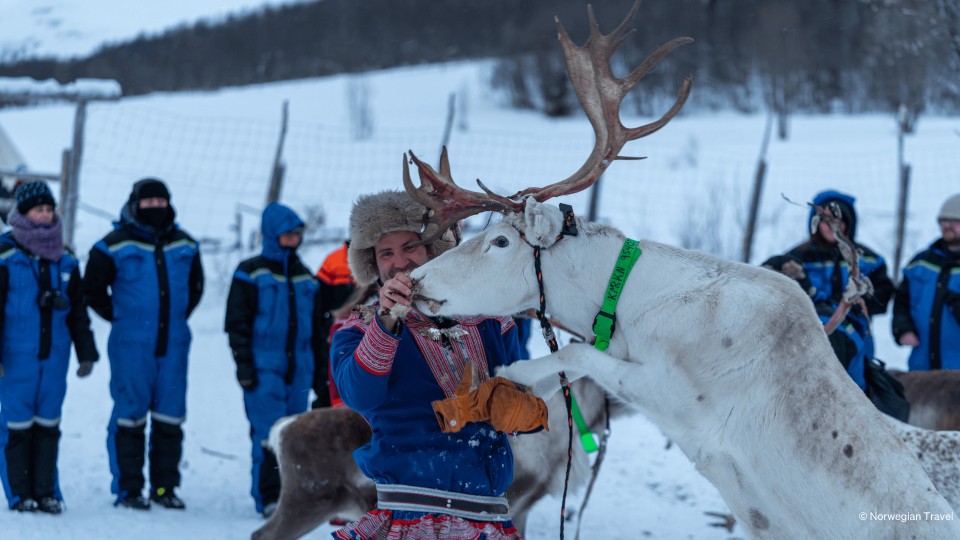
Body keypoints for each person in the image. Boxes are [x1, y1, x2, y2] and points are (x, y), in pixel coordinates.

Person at [330, 190, 547, 540]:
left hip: (486, 512)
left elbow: (516, 400)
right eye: (386, 253)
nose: (400, 262)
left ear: (432, 249)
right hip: (410, 513)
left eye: (410, 247)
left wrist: (519, 409)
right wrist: (385, 323)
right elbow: (360, 396)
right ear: (374, 265)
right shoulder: (358, 327)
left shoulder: (488, 317)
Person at [84, 178, 203, 510]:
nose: (154, 207)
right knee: (130, 417)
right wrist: (122, 318)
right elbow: (92, 290)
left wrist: (174, 317)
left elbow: (195, 289)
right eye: (148, 202)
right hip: (130, 345)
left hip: (175, 344)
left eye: (160, 201)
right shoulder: (112, 245)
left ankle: (165, 489)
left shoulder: (186, 244)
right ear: (135, 204)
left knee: (170, 418)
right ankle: (130, 489)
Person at [0, 182, 99, 514]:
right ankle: (19, 493)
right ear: (23, 214)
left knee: (48, 426)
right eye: (37, 210)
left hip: (55, 358)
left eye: (48, 209)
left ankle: (47, 492)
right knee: (17, 428)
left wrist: (86, 352)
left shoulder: (66, 257)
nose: (44, 215)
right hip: (15, 358)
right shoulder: (5, 253)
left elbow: (79, 310)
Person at [225, 202, 320, 518]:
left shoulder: (306, 276)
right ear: (271, 235)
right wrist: (245, 366)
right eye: (286, 235)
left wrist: (319, 372)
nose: (293, 240)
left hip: (300, 368)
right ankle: (269, 497)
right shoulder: (251, 271)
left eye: (297, 235)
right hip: (264, 366)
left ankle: (292, 495)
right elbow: (236, 324)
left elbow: (318, 329)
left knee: (294, 435)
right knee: (270, 434)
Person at [893, 193, 960, 370]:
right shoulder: (920, 262)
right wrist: (903, 328)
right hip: (922, 370)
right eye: (944, 221)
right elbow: (901, 302)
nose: (947, 226)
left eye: (955, 222)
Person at [311, 241, 357, 409]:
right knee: (330, 383)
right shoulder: (333, 260)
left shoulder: (378, 255)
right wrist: (323, 332)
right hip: (334, 333)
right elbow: (318, 302)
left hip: (367, 331)